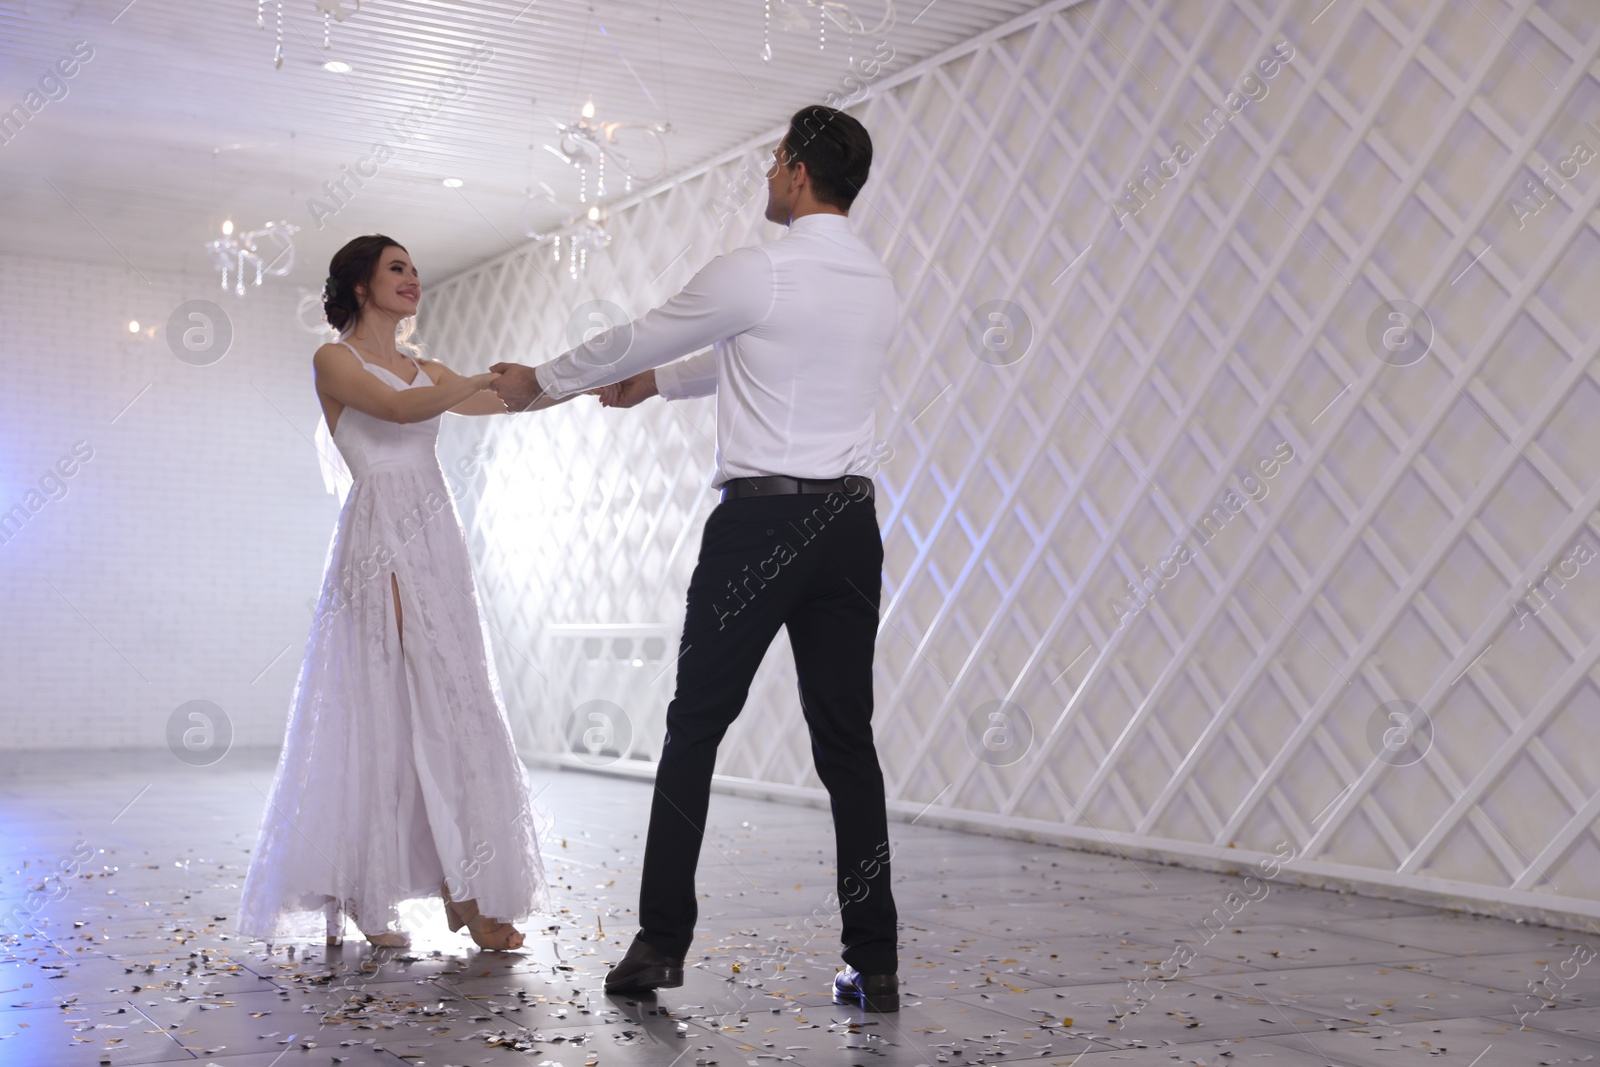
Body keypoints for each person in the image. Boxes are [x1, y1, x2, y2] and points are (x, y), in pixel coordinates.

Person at [490, 105, 903, 1012]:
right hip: (849, 528)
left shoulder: (758, 268)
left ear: (797, 172)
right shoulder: (875, 284)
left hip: (759, 527)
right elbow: (752, 359)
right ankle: (876, 961)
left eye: (772, 163)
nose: (766, 177)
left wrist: (542, 386)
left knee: (695, 728)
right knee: (848, 745)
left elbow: (649, 330)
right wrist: (654, 386)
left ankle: (660, 942)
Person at [237, 234, 569, 952]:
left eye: (416, 268)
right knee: (386, 703)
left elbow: (507, 400)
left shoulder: (427, 366)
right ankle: (367, 886)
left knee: (455, 702)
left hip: (435, 533)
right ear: (360, 286)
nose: (413, 278)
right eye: (397, 269)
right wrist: (479, 377)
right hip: (379, 532)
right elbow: (395, 411)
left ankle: (471, 889)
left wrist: (578, 377)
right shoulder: (335, 359)